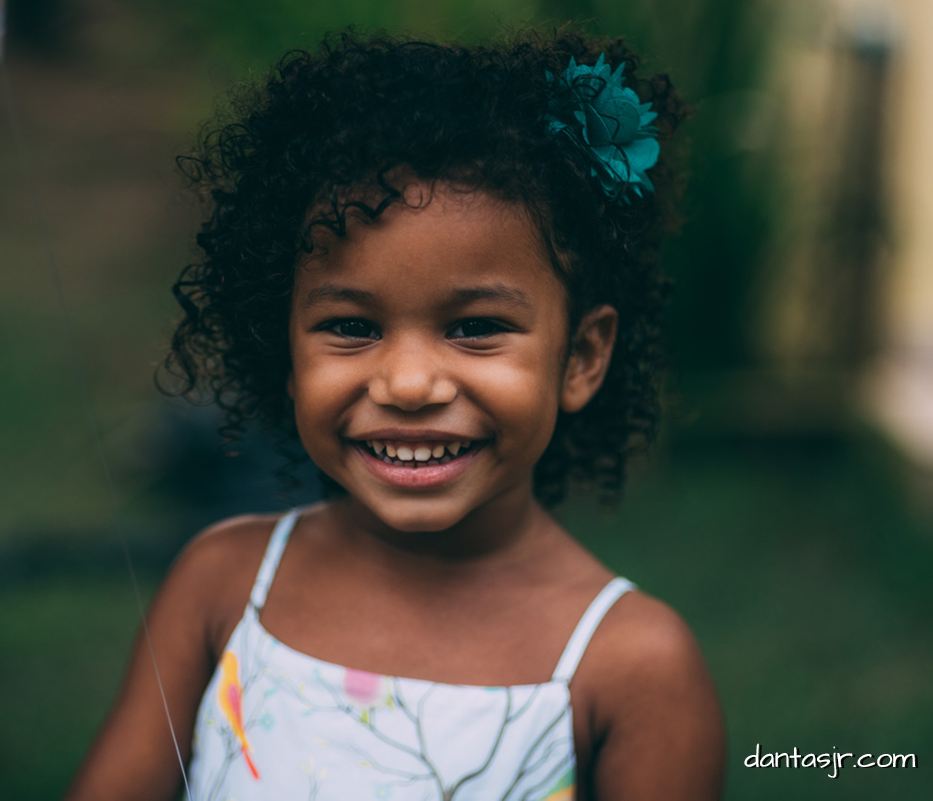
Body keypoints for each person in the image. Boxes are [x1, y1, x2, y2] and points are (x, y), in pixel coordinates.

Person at [66, 28, 725, 801]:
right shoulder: (223, 585)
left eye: (476, 327)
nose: (410, 383)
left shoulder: (631, 665)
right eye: (352, 326)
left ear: (580, 357)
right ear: (284, 350)